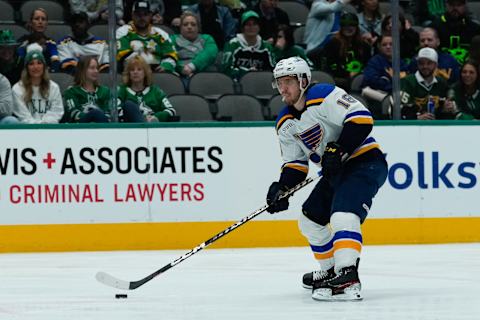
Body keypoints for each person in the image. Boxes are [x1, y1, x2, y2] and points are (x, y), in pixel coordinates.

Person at [266, 56, 387, 301]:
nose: (283, 88)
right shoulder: (285, 122)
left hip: (365, 162)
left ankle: (348, 275)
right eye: (279, 83)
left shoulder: (323, 95)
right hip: (337, 171)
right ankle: (330, 271)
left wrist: (340, 148)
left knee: (342, 214)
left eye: (288, 81)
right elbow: (295, 165)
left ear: (303, 80)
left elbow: (362, 118)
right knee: (309, 219)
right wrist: (282, 188)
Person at [117, 1, 178, 73]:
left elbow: (171, 53)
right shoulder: (123, 31)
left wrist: (166, 65)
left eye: (145, 14)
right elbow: (122, 54)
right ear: (132, 15)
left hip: (158, 72)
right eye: (138, 15)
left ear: (150, 16)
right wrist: (144, 67)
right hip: (133, 72)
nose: (142, 18)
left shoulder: (160, 33)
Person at [316, 12, 372, 90]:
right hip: (338, 79)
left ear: (356, 27)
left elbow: (368, 65)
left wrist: (358, 74)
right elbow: (329, 66)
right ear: (341, 27)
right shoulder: (332, 44)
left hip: (359, 79)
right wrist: (348, 74)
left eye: (351, 25)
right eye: (345, 25)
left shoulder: (364, 46)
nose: (348, 28)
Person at [12, 45, 64, 124]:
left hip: (49, 128)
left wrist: (44, 124)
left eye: (39, 63)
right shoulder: (17, 88)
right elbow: (23, 116)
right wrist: (37, 126)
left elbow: (57, 112)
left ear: (44, 67)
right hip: (26, 130)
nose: (36, 67)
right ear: (26, 68)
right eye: (31, 64)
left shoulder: (54, 87)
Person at [400, 47, 457, 120]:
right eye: (421, 63)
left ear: (436, 65)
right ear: (417, 64)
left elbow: (445, 108)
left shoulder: (441, 83)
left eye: (429, 63)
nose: (425, 66)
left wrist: (446, 108)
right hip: (413, 127)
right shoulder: (407, 82)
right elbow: (400, 111)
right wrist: (417, 118)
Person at [117, 55, 176, 122]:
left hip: (153, 128)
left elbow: (171, 110)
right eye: (132, 70)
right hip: (130, 129)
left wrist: (155, 117)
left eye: (139, 69)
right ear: (129, 73)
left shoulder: (155, 91)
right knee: (129, 105)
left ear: (145, 73)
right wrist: (142, 118)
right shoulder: (121, 90)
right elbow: (115, 111)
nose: (135, 72)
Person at [221, 10, 276, 80]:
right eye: (248, 24)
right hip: (237, 84)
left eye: (254, 24)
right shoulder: (232, 45)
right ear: (242, 27)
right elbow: (225, 69)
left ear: (259, 27)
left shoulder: (266, 47)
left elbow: (274, 70)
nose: (251, 27)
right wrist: (246, 73)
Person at [428, 0, 480, 64]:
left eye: (459, 5)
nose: (455, 8)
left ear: (464, 6)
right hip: (441, 67)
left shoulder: (474, 28)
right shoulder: (434, 27)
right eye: (452, 5)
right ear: (446, 5)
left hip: (468, 69)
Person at [170, 11, 218, 78]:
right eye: (185, 24)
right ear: (180, 28)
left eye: (193, 24)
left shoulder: (207, 38)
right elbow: (169, 55)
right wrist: (181, 68)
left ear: (198, 28)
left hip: (203, 73)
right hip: (180, 74)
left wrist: (192, 66)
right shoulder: (173, 39)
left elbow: (210, 53)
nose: (189, 27)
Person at [63, 56, 110, 123]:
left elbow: (108, 112)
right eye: (92, 68)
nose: (96, 71)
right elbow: (73, 112)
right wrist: (91, 116)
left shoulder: (105, 91)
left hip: (101, 127)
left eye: (97, 68)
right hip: (79, 128)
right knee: (95, 113)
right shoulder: (71, 91)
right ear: (82, 70)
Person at [17, 8, 60, 72]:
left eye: (43, 19)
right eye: (37, 19)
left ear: (46, 24)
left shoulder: (50, 42)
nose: (40, 22)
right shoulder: (23, 41)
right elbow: (19, 63)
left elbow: (55, 63)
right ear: (31, 23)